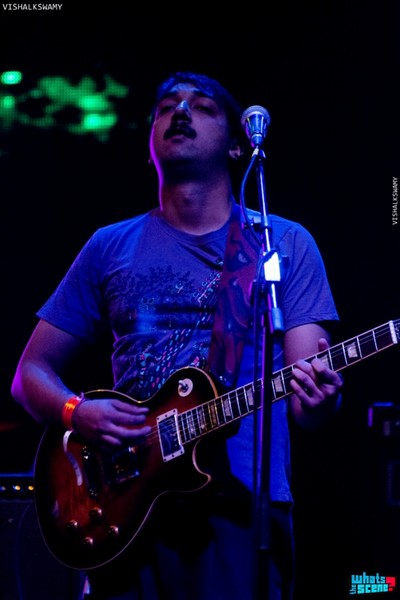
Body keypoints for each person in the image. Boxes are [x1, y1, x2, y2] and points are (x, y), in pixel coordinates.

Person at [11, 71, 343, 600]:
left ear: (237, 146)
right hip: (123, 505)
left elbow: (309, 401)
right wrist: (77, 411)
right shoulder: (108, 246)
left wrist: (322, 396)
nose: (181, 112)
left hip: (240, 508)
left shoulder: (283, 243)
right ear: (150, 146)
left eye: (202, 106)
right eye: (167, 107)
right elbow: (30, 374)